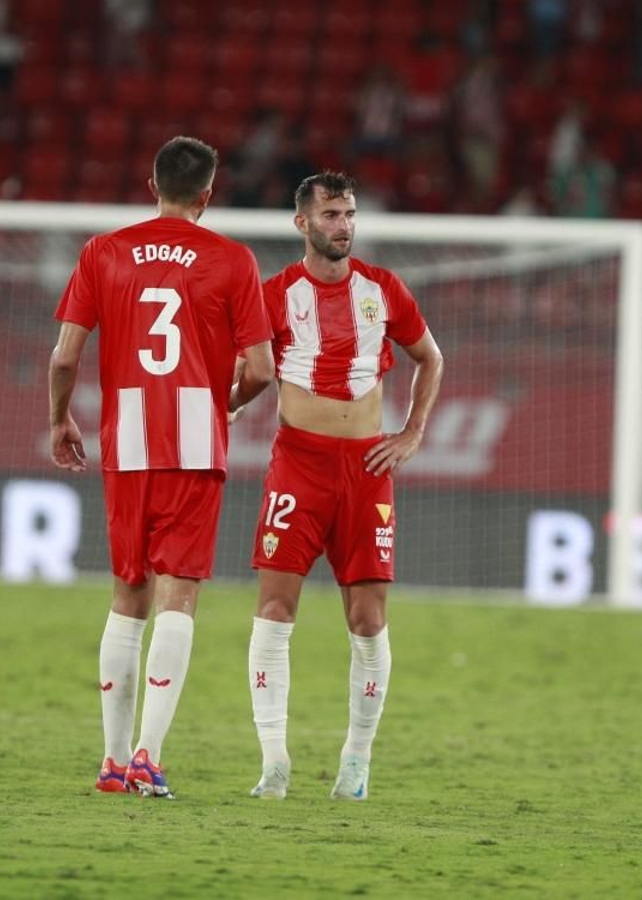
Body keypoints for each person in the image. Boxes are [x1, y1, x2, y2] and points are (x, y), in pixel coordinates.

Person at [49, 136, 275, 799]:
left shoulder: (104, 251)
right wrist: (226, 403)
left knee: (128, 594)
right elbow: (261, 368)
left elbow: (64, 358)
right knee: (180, 594)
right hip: (193, 440)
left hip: (127, 440)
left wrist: (61, 417)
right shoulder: (233, 260)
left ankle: (113, 763)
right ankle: (149, 755)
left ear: (152, 186)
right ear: (208, 194)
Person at [233, 172, 445, 801]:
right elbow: (246, 374)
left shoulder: (384, 291)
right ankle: (274, 762)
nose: (343, 225)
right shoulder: (274, 295)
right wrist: (224, 405)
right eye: (330, 214)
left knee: (368, 619)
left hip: (366, 470)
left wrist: (411, 434)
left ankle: (357, 759)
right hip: (298, 464)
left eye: (349, 212)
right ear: (302, 224)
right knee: (274, 611)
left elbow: (430, 357)